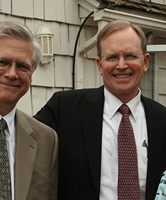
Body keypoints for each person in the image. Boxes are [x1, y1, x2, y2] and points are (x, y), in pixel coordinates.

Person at [34, 20, 166, 200]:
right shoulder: (63, 109)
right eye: (112, 57)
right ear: (99, 65)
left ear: (145, 61)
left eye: (130, 56)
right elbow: (22, 149)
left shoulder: (163, 120)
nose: (121, 65)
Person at [0, 21, 58, 200]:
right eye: (2, 62)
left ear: (32, 72)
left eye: (23, 66)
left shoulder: (46, 140)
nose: (12, 74)